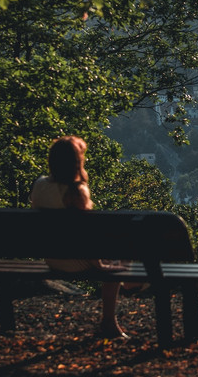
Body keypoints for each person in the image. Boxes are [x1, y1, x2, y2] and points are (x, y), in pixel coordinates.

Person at [30, 135, 127, 338]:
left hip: (51, 257)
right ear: (77, 162)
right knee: (118, 259)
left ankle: (128, 290)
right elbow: (86, 239)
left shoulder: (39, 185)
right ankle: (108, 321)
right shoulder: (76, 192)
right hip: (74, 260)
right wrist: (101, 266)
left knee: (113, 257)